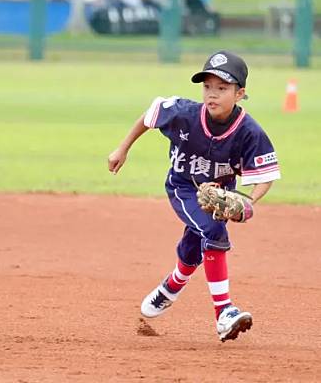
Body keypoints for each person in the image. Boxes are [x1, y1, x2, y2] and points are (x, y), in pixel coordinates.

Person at [107, 51, 281, 342]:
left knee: (196, 241)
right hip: (183, 186)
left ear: (240, 93)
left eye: (222, 88)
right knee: (212, 230)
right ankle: (224, 313)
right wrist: (122, 149)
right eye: (207, 87)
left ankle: (172, 285)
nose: (212, 94)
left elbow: (265, 176)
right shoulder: (184, 113)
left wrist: (248, 202)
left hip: (218, 195)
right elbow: (151, 114)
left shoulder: (249, 132)